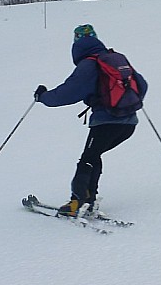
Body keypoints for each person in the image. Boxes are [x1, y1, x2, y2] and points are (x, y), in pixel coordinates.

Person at [34, 24, 147, 217]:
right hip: (129, 124)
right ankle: (89, 199)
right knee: (93, 155)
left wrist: (43, 97)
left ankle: (77, 202)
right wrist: (128, 105)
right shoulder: (115, 59)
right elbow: (142, 85)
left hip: (106, 123)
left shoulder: (89, 64)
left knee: (88, 158)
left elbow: (68, 92)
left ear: (76, 44)